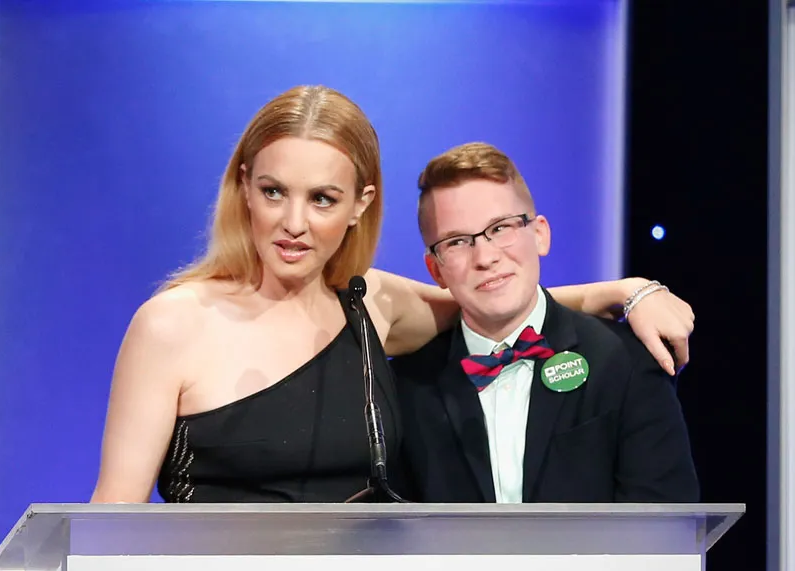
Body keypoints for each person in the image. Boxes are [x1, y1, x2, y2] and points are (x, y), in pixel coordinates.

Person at [90, 85, 694, 504]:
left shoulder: (369, 305)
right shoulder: (172, 325)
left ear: (360, 206)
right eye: (274, 192)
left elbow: (491, 296)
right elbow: (113, 517)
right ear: (243, 186)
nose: (293, 222)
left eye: (322, 199)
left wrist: (630, 291)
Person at [392, 141, 699, 503]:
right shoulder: (404, 389)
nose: (485, 257)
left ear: (540, 234)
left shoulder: (625, 362)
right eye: (457, 241)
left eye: (500, 228)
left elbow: (666, 522)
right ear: (435, 269)